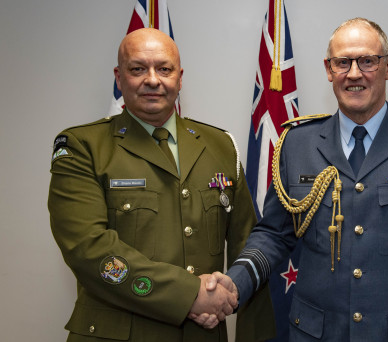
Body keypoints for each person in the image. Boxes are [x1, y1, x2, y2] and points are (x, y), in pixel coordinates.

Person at [206, 17, 388, 341]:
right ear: (329, 69)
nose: (354, 73)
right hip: (316, 333)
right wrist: (234, 283)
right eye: (343, 62)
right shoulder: (297, 142)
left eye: (367, 61)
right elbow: (275, 235)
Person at [48, 28, 274, 342]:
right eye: (138, 68)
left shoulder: (221, 145)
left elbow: (247, 244)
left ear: (179, 77)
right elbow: (88, 248)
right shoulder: (82, 146)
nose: (153, 79)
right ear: (119, 77)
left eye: (164, 69)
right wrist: (190, 294)